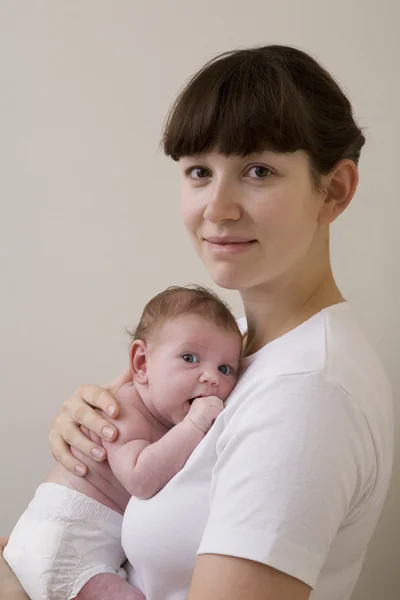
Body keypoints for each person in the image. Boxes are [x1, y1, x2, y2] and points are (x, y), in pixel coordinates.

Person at [1, 45, 394, 600]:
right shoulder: (230, 340)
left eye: (258, 171)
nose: (218, 206)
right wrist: (86, 427)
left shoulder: (306, 394)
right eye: (199, 172)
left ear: (334, 190)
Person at [3, 286, 242, 600]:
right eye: (189, 358)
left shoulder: (164, 416)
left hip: (69, 543)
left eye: (225, 369)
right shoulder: (123, 411)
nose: (211, 376)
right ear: (142, 364)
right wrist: (196, 424)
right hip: (66, 543)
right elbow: (140, 478)